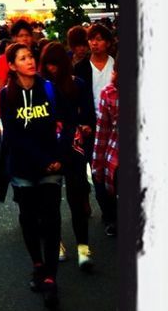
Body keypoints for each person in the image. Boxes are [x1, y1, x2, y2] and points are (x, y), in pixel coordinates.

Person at [0, 41, 65, 311]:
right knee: (28, 216)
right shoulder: (6, 95)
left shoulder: (48, 88)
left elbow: (59, 124)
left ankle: (50, 276)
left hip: (52, 166)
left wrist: (56, 157)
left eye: (30, 56)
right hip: (24, 167)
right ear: (12, 66)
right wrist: (42, 160)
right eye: (22, 58)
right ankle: (37, 263)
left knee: (52, 218)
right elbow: (13, 135)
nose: (30, 61)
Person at [39, 40, 95, 269]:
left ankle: (83, 249)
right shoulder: (40, 86)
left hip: (73, 147)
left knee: (78, 199)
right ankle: (58, 244)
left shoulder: (77, 84)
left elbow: (89, 114)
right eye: (48, 64)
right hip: (50, 147)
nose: (52, 69)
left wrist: (85, 126)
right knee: (50, 203)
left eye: (56, 64)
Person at [74, 22, 118, 234]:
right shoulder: (81, 68)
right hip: (92, 128)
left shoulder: (117, 64)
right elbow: (75, 99)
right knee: (97, 170)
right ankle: (109, 215)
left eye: (99, 39)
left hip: (116, 128)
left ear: (108, 43)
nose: (94, 43)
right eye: (91, 39)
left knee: (117, 171)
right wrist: (82, 122)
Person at [91, 59, 119, 237]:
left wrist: (97, 165)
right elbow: (102, 132)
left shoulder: (110, 92)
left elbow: (102, 133)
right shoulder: (110, 93)